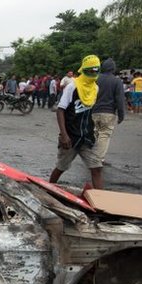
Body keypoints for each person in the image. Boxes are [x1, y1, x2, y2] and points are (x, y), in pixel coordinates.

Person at [49, 55, 103, 189]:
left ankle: (100, 199)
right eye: (90, 71)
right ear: (84, 70)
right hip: (70, 137)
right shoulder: (72, 87)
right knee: (61, 167)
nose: (93, 74)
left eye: (96, 70)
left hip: (87, 137)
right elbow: (60, 110)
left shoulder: (95, 88)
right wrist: (64, 135)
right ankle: (48, 190)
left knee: (96, 168)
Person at [91, 57, 125, 165]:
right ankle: (97, 159)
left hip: (93, 111)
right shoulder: (117, 81)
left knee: (95, 133)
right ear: (113, 69)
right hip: (108, 112)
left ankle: (93, 155)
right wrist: (121, 115)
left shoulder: (95, 79)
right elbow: (120, 99)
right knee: (104, 135)